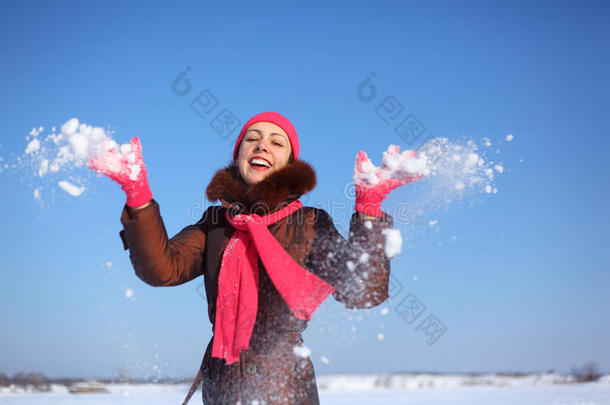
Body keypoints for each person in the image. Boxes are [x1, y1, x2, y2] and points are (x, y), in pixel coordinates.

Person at [88, 112, 422, 405]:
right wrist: (138, 196)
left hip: (285, 386)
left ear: (290, 165)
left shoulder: (309, 223)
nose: (262, 146)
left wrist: (368, 208)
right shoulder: (215, 223)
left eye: (277, 142)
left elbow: (362, 292)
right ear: (238, 155)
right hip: (221, 383)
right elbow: (160, 269)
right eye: (252, 138)